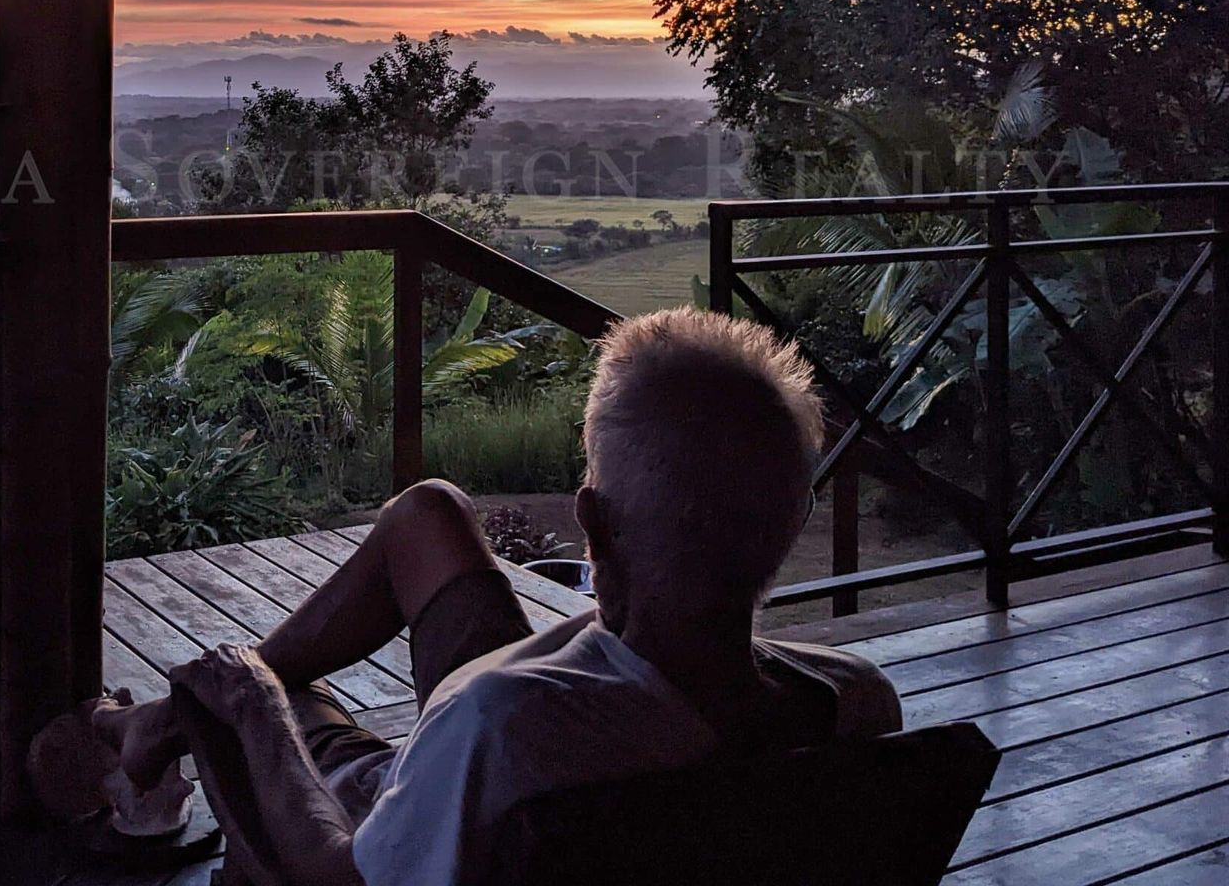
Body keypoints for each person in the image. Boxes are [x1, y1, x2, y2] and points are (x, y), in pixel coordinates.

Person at [93, 306, 903, 886]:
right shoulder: (855, 701)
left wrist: (256, 703)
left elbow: (340, 874)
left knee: (269, 690)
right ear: (791, 520)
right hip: (562, 740)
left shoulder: (497, 726)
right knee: (429, 514)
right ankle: (153, 726)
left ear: (594, 521)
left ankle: (153, 728)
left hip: (382, 817)